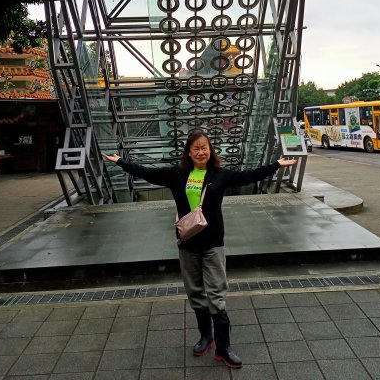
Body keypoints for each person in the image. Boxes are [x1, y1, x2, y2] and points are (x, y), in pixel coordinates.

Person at [102, 128, 298, 369]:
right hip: (188, 243)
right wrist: (121, 162)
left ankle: (224, 348)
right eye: (195, 148)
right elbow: (148, 173)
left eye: (204, 147)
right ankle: (206, 337)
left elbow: (249, 175)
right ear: (188, 152)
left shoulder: (220, 175)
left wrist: (276, 164)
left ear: (210, 149)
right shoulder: (177, 174)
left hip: (213, 243)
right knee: (195, 292)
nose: (201, 152)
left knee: (216, 293)